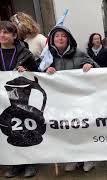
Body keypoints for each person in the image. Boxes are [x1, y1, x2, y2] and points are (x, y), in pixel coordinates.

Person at [42, 25, 99, 172]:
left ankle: (88, 159)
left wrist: (89, 64)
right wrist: (45, 70)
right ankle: (72, 158)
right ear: (52, 40)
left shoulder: (79, 53)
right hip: (60, 103)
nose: (60, 38)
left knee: (82, 129)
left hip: (78, 101)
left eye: (64, 36)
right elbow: (37, 72)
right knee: (66, 130)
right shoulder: (48, 57)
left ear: (69, 39)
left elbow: (98, 69)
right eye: (57, 36)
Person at [0, 21, 38, 178]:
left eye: (6, 32)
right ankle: (15, 163)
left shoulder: (24, 53)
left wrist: (27, 70)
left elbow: (37, 72)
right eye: (0, 32)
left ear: (14, 35)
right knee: (8, 128)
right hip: (2, 99)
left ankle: (30, 162)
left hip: (21, 98)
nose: (2, 35)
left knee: (24, 127)